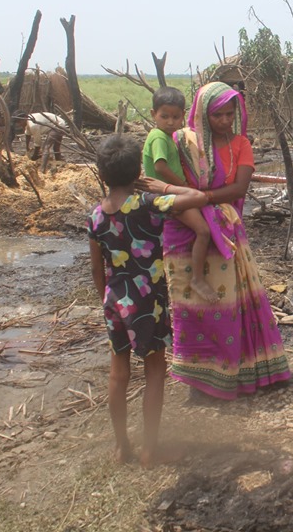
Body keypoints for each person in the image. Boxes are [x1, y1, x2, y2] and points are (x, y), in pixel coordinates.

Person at [164, 81, 291, 400]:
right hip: (185, 229)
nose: (224, 121)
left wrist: (199, 197)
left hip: (224, 230)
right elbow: (162, 174)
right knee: (190, 304)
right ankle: (199, 371)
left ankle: (233, 371)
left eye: (230, 114)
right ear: (204, 114)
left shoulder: (241, 144)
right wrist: (190, 201)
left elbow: (238, 190)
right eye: (218, 114)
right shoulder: (183, 141)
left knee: (228, 303)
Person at [86, 134, 207, 466]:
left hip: (115, 301)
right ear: (139, 169)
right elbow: (197, 196)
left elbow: (97, 269)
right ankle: (150, 450)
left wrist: (108, 303)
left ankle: (121, 447)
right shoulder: (146, 205)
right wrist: (160, 187)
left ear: (102, 173)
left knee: (118, 374)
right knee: (154, 372)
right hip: (147, 302)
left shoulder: (96, 216)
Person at [142, 87, 217, 303]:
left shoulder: (167, 136)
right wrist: (183, 186)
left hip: (170, 193)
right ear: (153, 114)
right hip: (166, 195)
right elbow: (161, 167)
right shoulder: (158, 137)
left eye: (175, 117)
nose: (170, 122)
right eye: (164, 116)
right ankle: (197, 278)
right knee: (203, 230)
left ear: (183, 115)